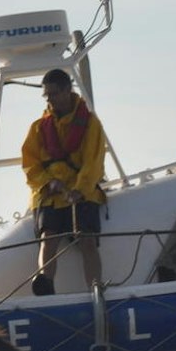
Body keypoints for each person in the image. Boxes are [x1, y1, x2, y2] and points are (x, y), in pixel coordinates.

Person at [20, 68, 108, 296]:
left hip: (82, 192)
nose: (50, 99)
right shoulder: (38, 128)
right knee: (48, 237)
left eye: (54, 94)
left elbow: (93, 162)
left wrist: (79, 190)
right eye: (46, 95)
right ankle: (45, 286)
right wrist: (48, 183)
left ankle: (96, 290)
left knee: (87, 240)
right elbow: (31, 165)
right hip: (50, 194)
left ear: (68, 90)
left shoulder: (90, 124)